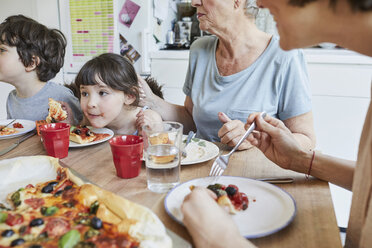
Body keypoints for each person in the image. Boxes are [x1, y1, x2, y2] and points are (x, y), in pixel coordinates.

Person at [181, 0, 372, 247]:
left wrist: (219, 237)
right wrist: (301, 160)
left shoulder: (285, 56)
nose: (258, 2)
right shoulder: (202, 49)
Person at [138, 0, 316, 151]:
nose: (194, 2)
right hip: (202, 170)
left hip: (257, 177)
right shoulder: (200, 50)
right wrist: (150, 100)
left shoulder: (284, 55)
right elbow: (192, 119)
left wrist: (255, 140)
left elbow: (306, 140)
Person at [0, 15, 82, 124]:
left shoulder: (62, 96)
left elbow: (84, 130)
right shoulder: (12, 99)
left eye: (2, 50)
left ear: (31, 63)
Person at [73, 53, 163, 135]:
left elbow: (160, 149)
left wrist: (148, 136)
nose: (90, 103)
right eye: (85, 94)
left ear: (129, 96)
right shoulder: (90, 119)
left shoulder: (150, 119)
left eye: (102, 93)